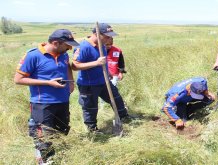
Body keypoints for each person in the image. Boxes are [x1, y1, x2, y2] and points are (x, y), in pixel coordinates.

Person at [14, 29, 79, 164]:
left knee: (62, 131)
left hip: (63, 100)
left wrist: (71, 82)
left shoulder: (64, 54)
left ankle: (56, 155)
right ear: (55, 43)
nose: (70, 48)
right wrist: (48, 83)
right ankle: (44, 159)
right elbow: (18, 79)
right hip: (42, 103)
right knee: (43, 136)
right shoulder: (33, 56)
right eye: (67, 45)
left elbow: (67, 67)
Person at [72, 23, 131, 133]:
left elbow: (103, 63)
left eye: (110, 36)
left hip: (103, 81)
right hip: (88, 84)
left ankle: (123, 117)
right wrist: (96, 63)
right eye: (107, 36)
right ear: (96, 34)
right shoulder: (83, 47)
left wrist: (108, 72)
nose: (109, 39)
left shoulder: (102, 45)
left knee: (116, 98)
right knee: (90, 107)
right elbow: (75, 66)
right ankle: (92, 129)